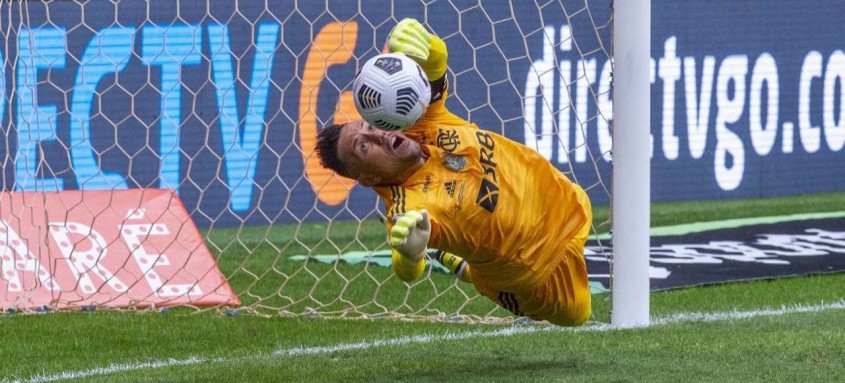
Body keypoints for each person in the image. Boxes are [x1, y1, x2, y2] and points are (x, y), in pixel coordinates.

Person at [315, 18, 593, 326]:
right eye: (363, 147)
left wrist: (423, 41)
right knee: (578, 315)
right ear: (369, 179)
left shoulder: (422, 123)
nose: (377, 135)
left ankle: (453, 258)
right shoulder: (409, 206)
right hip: (541, 272)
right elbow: (407, 264)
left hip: (567, 200)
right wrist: (410, 253)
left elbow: (437, 61)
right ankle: (462, 266)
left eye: (370, 127)